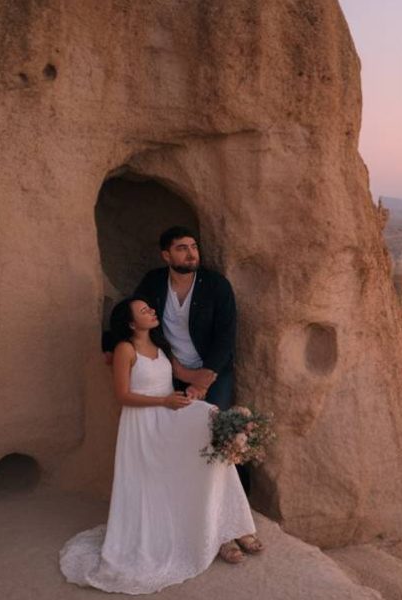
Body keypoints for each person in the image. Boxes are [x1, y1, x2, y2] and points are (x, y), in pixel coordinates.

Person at [60, 297, 263, 594]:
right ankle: (221, 534)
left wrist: (200, 385)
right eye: (144, 311)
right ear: (131, 323)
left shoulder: (160, 345)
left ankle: (229, 528)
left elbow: (180, 376)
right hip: (144, 423)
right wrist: (164, 401)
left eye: (150, 308)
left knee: (212, 431)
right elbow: (122, 395)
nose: (152, 311)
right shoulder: (125, 349)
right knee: (204, 440)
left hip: (170, 414)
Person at [127, 226, 237, 411]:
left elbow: (226, 334)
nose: (191, 254)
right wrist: (110, 344)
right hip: (169, 369)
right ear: (166, 255)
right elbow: (134, 315)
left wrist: (203, 381)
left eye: (194, 247)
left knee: (214, 422)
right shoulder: (154, 282)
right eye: (182, 248)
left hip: (212, 370)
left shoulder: (216, 284)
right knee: (171, 423)